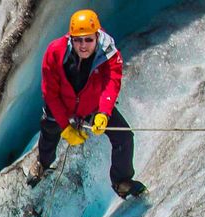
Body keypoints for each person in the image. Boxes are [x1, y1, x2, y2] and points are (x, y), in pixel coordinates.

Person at [28, 9, 147, 199]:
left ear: (97, 36)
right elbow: (50, 92)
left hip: (92, 107)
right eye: (78, 40)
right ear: (71, 38)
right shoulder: (55, 52)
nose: (83, 45)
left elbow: (111, 83)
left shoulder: (108, 53)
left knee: (124, 137)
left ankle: (121, 181)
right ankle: (43, 163)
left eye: (88, 40)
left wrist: (104, 113)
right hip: (62, 105)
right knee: (50, 130)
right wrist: (66, 126)